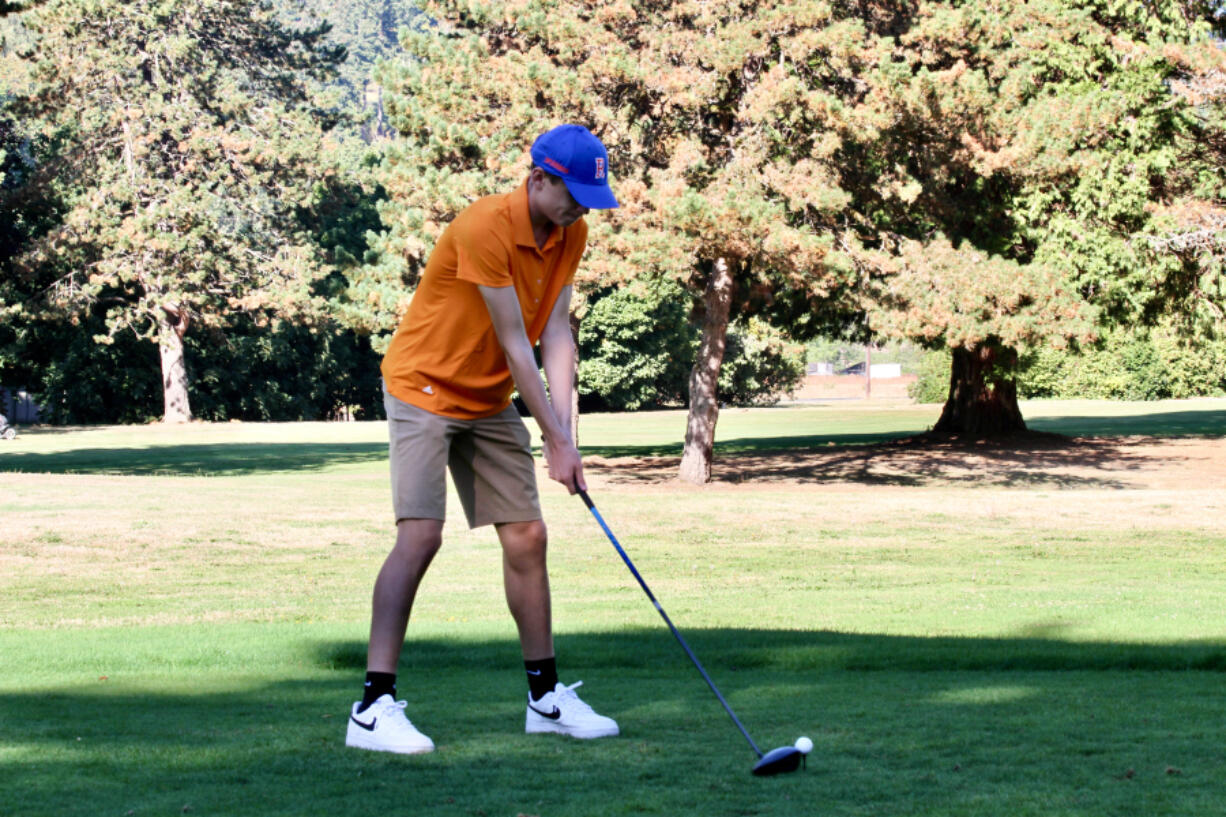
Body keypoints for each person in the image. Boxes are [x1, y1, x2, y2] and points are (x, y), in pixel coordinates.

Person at [346, 124, 621, 754]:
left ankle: (545, 699)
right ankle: (371, 708)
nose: (580, 208)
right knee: (420, 534)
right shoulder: (484, 228)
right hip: (425, 387)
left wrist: (568, 436)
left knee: (528, 532)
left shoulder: (569, 233)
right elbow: (513, 340)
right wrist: (550, 438)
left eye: (588, 197)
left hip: (489, 395)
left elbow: (555, 333)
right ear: (538, 178)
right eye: (571, 193)